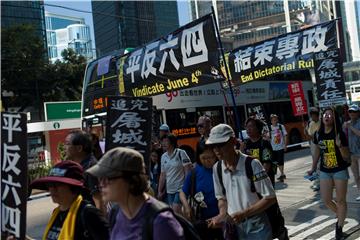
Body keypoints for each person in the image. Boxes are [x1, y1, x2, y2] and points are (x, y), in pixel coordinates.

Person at [86, 147, 184, 240]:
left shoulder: (161, 222)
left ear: (132, 180)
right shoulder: (115, 213)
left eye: (108, 178)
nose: (101, 184)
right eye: (100, 178)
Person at [206, 124, 276, 239]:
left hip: (257, 224)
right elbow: (221, 197)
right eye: (213, 146)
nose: (217, 150)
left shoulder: (252, 164)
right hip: (234, 227)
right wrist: (222, 214)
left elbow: (270, 197)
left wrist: (243, 214)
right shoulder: (217, 168)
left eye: (221, 145)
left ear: (233, 141)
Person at [30, 161, 109, 240]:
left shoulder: (89, 214)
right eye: (50, 185)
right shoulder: (56, 214)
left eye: (58, 185)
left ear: (74, 188)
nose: (52, 189)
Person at [307, 107, 350, 240]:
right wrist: (313, 168)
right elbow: (317, 152)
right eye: (325, 114)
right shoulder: (318, 134)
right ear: (322, 117)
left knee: (341, 200)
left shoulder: (339, 134)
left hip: (339, 170)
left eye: (330, 115)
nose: (327, 116)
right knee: (326, 199)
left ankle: (339, 228)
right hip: (325, 171)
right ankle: (341, 214)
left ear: (334, 118)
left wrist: (340, 146)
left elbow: (346, 157)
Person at [179, 145, 223, 240]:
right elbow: (182, 192)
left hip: (222, 219)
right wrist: (186, 207)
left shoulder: (222, 168)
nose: (207, 161)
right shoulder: (195, 171)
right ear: (198, 157)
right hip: (202, 221)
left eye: (210, 157)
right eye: (203, 158)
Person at [64, 130, 104, 211]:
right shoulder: (77, 166)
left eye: (68, 144)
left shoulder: (91, 168)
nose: (65, 147)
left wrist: (99, 222)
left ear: (79, 148)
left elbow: (99, 202)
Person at [158, 134, 192, 213]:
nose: (163, 143)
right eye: (162, 141)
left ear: (172, 143)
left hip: (180, 189)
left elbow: (188, 171)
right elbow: (163, 175)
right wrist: (160, 191)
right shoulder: (163, 156)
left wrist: (186, 187)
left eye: (166, 141)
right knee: (175, 213)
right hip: (169, 190)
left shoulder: (181, 153)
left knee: (176, 210)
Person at [241, 118, 275, 186]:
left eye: (251, 126)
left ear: (258, 128)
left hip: (265, 182)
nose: (248, 129)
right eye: (247, 126)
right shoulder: (245, 144)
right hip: (252, 183)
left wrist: (254, 180)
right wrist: (241, 151)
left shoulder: (265, 143)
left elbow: (266, 166)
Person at [343, 104, 360, 201]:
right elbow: (343, 138)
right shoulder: (346, 124)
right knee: (356, 176)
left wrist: (351, 127)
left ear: (358, 113)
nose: (352, 113)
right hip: (352, 154)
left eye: (354, 111)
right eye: (350, 112)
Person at [304, 107, 321, 191]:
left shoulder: (322, 122)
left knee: (319, 165)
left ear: (317, 115)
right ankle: (317, 182)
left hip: (321, 145)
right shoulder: (310, 123)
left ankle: (319, 183)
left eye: (314, 116)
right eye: (311, 116)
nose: (312, 118)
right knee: (316, 164)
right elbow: (310, 137)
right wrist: (306, 133)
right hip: (314, 145)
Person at [268, 114, 288, 182]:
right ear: (271, 121)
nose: (275, 121)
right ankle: (280, 174)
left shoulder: (281, 126)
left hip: (281, 147)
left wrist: (285, 145)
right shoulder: (269, 128)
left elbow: (285, 135)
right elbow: (268, 138)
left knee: (280, 161)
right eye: (274, 120)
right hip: (273, 148)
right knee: (274, 161)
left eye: (276, 119)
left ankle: (282, 174)